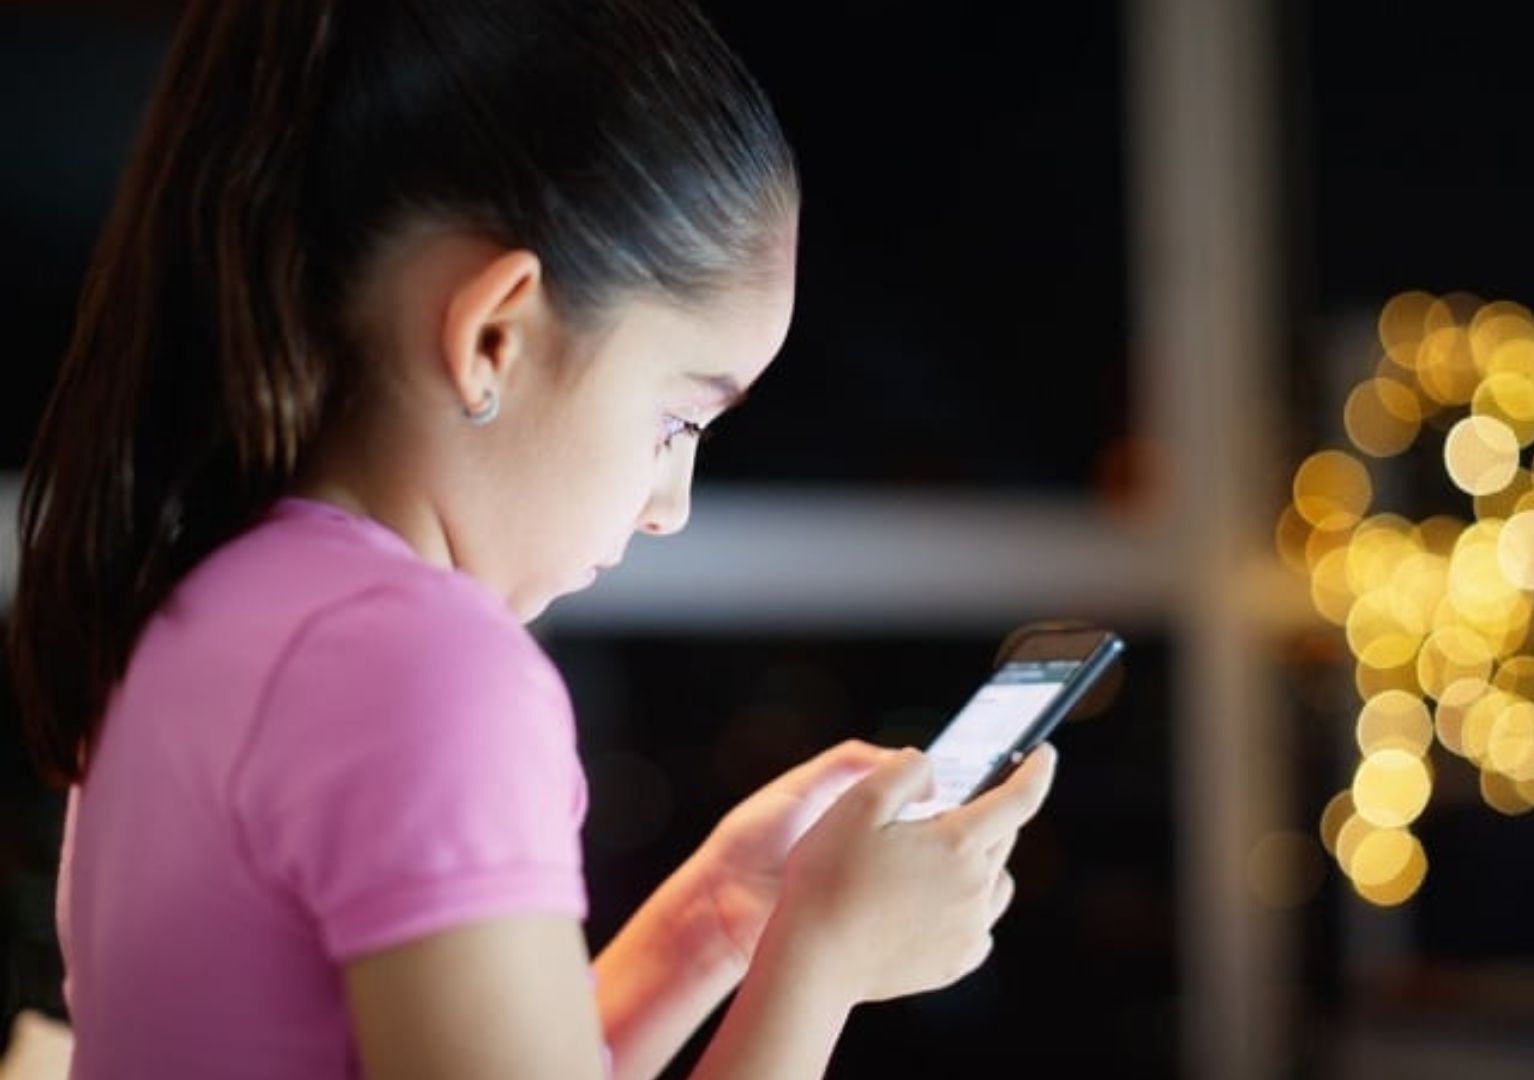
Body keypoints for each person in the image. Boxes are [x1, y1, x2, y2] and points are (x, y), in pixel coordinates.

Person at [4, 2, 1058, 1077]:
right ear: (494, 334)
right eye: (677, 420)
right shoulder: (425, 664)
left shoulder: (200, 610)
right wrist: (823, 963)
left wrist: (711, 924)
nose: (669, 505)